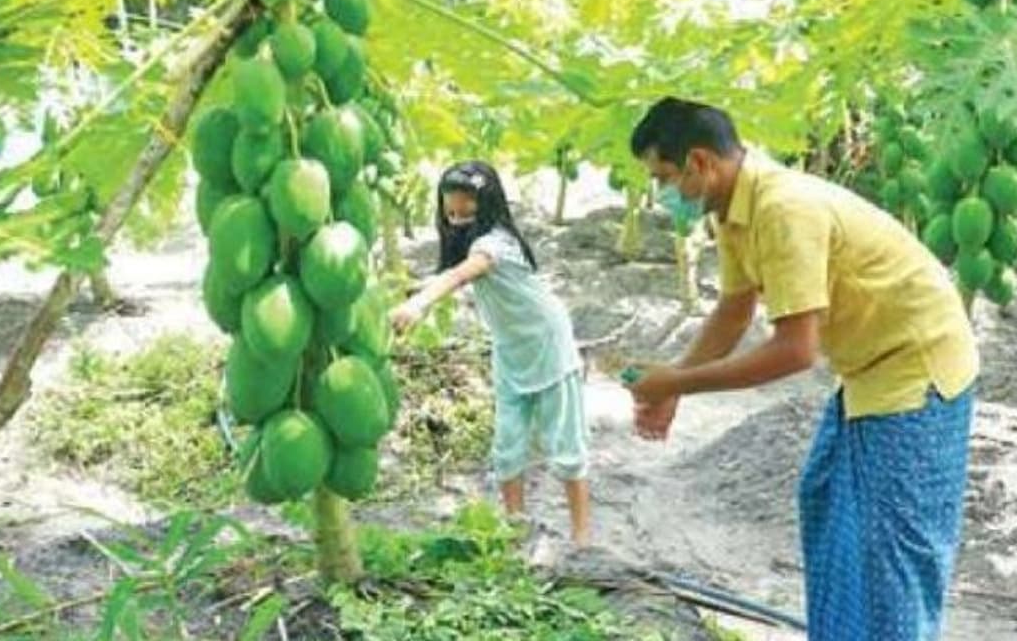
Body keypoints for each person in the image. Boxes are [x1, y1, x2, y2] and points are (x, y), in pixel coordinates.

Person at [623, 97, 979, 640]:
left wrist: (676, 381)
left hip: (918, 370)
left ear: (700, 162)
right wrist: (675, 384)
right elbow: (734, 309)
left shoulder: (783, 209)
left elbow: (794, 351)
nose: (666, 192)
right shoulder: (735, 212)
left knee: (893, 553)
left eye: (666, 177)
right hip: (868, 371)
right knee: (828, 506)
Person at [390, 160, 591, 546]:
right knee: (507, 445)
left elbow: (460, 275)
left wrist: (420, 305)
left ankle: (583, 538)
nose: (458, 217)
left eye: (467, 208)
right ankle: (515, 529)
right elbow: (450, 273)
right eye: (451, 211)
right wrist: (411, 290)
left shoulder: (495, 243)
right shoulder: (475, 246)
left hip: (548, 345)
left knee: (565, 445)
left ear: (488, 204)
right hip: (511, 351)